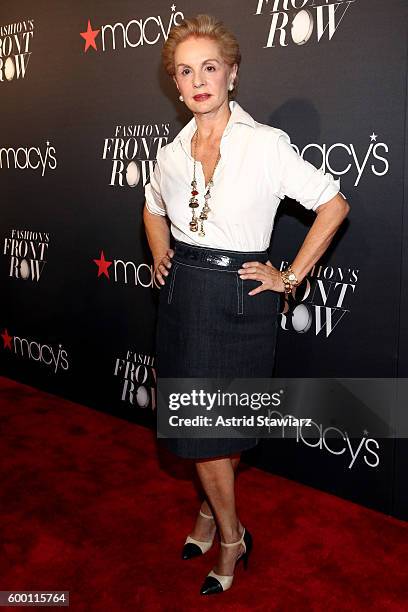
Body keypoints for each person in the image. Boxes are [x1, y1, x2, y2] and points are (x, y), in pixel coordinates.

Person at [143, 13, 350, 596]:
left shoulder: (265, 145)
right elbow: (152, 205)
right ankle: (215, 518)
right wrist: (161, 250)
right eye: (186, 71)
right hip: (184, 298)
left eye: (210, 67)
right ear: (176, 85)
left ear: (232, 75)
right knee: (200, 434)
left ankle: (230, 538)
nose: (198, 80)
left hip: (241, 301)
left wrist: (291, 277)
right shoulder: (172, 152)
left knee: (220, 435)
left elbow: (333, 205)